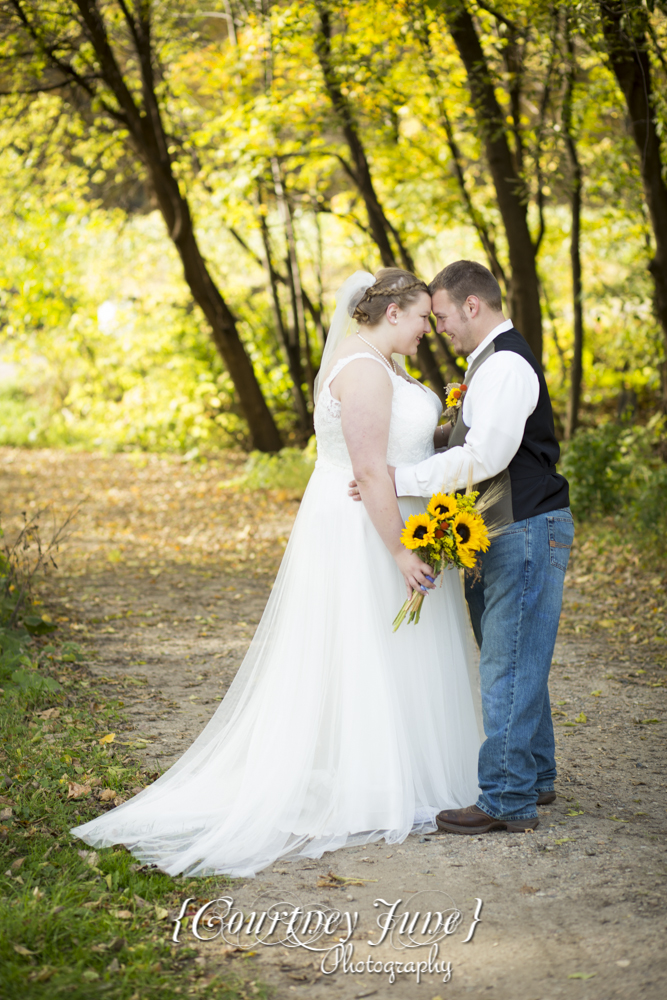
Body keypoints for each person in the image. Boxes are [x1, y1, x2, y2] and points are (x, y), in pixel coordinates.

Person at [71, 268, 483, 877]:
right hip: (367, 529)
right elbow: (370, 471)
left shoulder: (380, 361)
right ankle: (374, 781)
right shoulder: (367, 371)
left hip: (382, 517)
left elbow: (403, 447)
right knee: (369, 648)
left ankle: (389, 768)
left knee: (379, 651)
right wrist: (400, 550)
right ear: (392, 312)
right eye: (423, 317)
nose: (430, 328)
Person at [351, 260, 573, 834]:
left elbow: (486, 458)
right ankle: (535, 776)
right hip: (503, 527)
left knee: (508, 661)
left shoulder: (506, 367)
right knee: (515, 655)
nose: (438, 328)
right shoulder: (486, 366)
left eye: (443, 315)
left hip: (524, 526)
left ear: (472, 306)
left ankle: (506, 799)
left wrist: (399, 479)